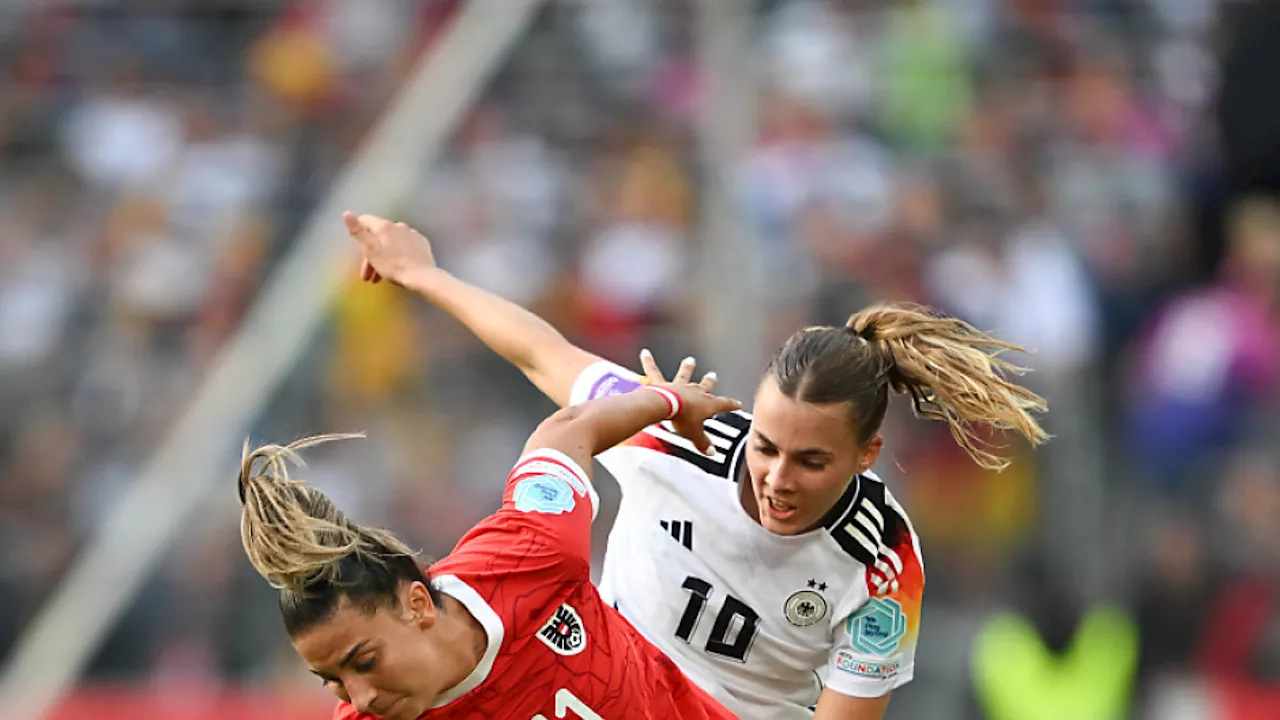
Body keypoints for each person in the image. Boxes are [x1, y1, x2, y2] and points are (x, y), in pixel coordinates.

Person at [343, 212, 1049, 720]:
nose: (775, 478)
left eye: (811, 461)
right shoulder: (674, 437)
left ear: (867, 457)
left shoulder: (883, 562)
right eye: (766, 446)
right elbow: (543, 353)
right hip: (595, 693)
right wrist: (425, 277)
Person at [237, 369, 743, 719]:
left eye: (364, 661)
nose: (361, 696)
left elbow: (569, 429)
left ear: (416, 603)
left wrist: (674, 401)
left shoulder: (524, 555)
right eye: (334, 681)